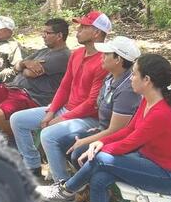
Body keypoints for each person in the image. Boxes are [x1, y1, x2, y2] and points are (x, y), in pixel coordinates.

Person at [37, 53, 171, 202]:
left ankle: (67, 190)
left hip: (169, 177)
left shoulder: (161, 112)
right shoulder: (148, 101)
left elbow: (131, 143)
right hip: (149, 163)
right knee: (100, 177)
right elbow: (129, 131)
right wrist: (100, 142)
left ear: (147, 80)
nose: (131, 78)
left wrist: (99, 150)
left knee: (101, 159)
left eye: (135, 74)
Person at [9, 10, 111, 179]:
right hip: (66, 109)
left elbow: (92, 102)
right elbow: (64, 86)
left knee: (48, 134)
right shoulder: (77, 54)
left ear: (97, 32)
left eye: (84, 26)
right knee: (18, 119)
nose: (78, 30)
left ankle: (63, 185)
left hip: (88, 117)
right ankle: (32, 165)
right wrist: (51, 112)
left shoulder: (104, 61)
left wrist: (62, 118)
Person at [39, 36, 141, 183]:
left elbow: (116, 130)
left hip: (116, 136)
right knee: (64, 141)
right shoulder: (110, 78)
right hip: (101, 128)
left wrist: (87, 139)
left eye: (106, 54)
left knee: (78, 151)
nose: (102, 57)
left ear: (118, 59)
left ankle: (78, 188)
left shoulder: (127, 89)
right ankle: (69, 185)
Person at [0, 18, 71, 136]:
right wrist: (25, 63)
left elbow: (29, 73)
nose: (43, 36)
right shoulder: (44, 51)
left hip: (31, 96)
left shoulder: (63, 56)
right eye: (43, 32)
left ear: (59, 36)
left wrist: (25, 66)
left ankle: (16, 137)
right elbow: (17, 66)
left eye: (47, 33)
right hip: (13, 88)